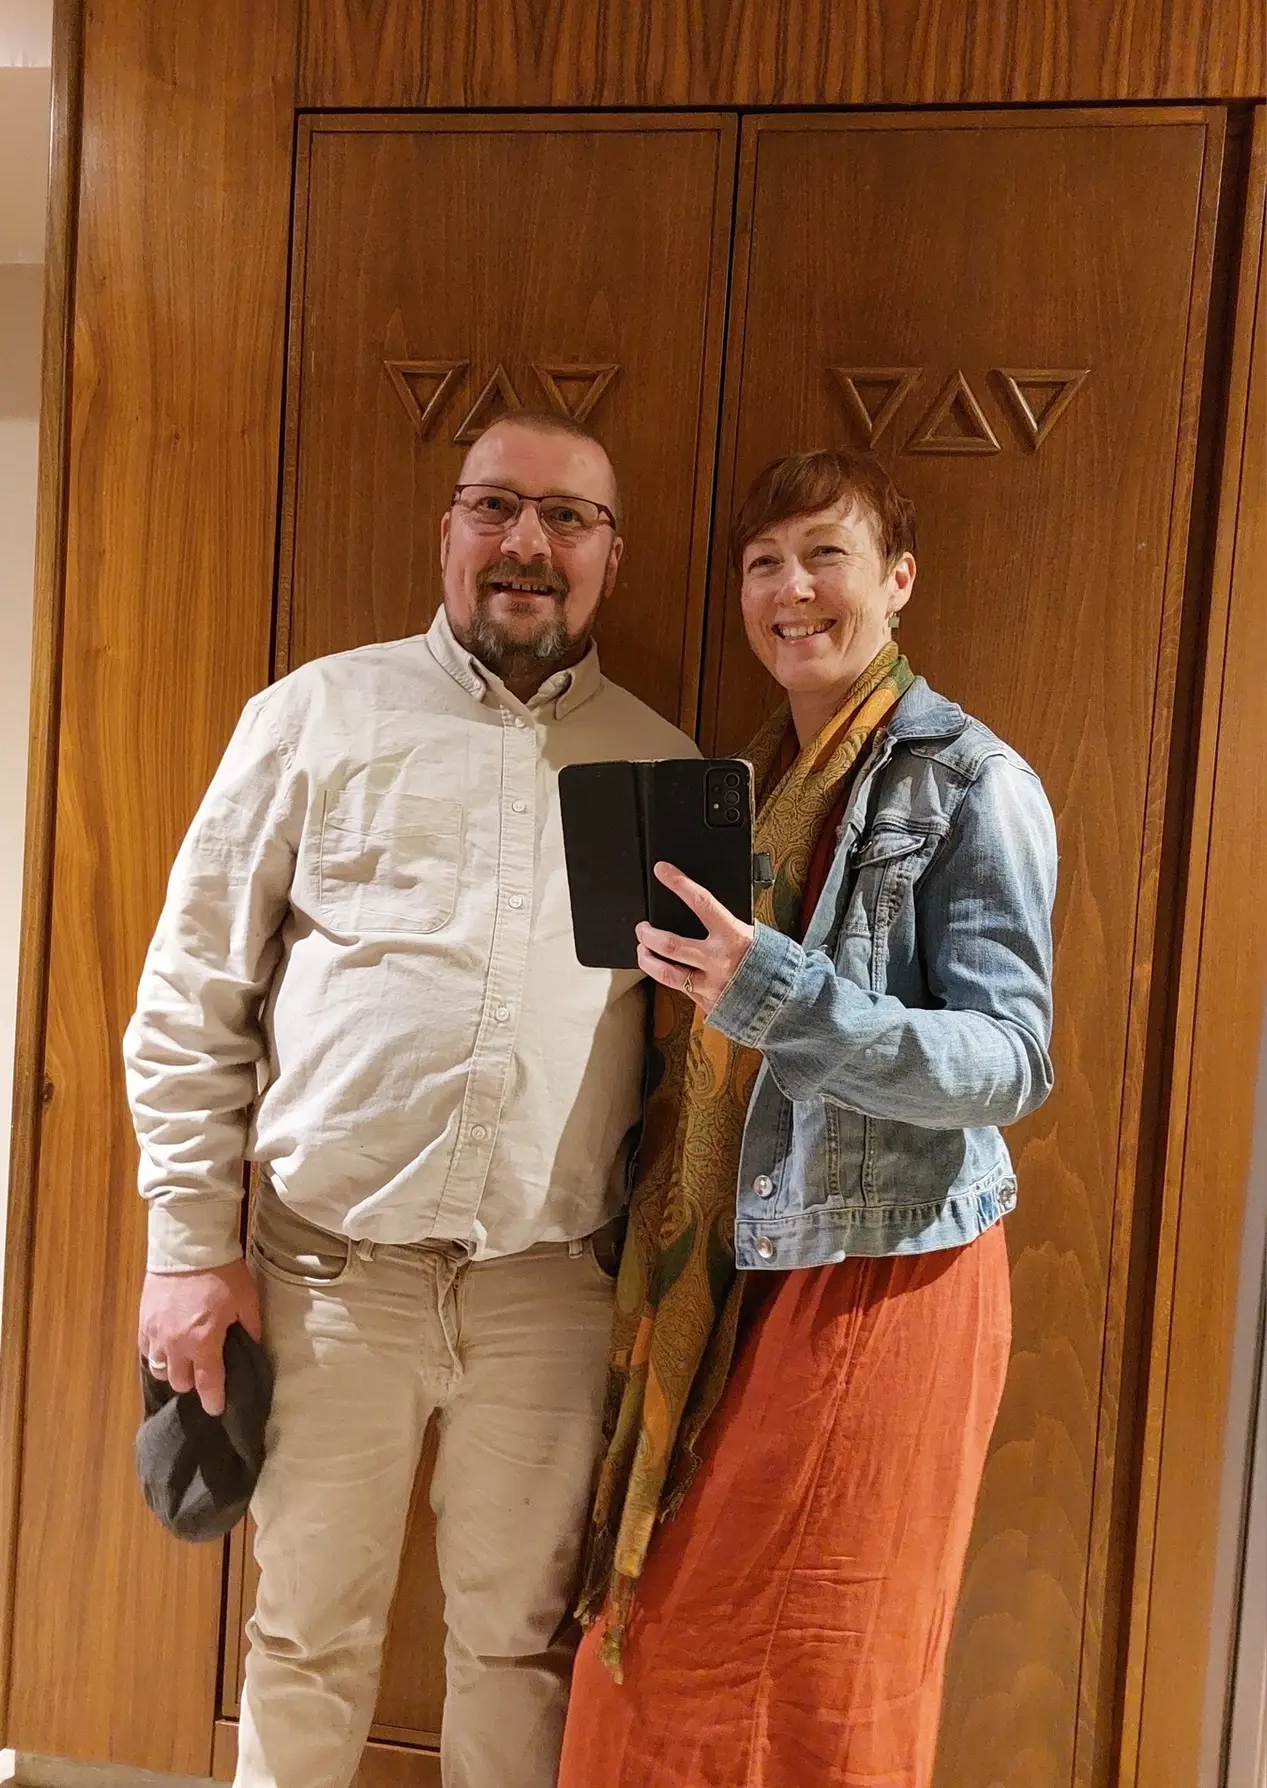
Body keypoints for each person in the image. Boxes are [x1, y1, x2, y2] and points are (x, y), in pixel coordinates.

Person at [124, 412, 697, 1788]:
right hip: (326, 1277)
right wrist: (188, 1245)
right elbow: (192, 991)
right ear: (447, 532)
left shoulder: (664, 769)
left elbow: (697, 1056)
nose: (527, 543)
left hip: (550, 1295)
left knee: (519, 1650)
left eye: (566, 518)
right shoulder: (314, 716)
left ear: (609, 556)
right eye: (495, 507)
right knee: (303, 1639)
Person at [560, 449, 1058, 1788]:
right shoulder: (759, 780)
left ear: (897, 580)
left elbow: (1010, 1062)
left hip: (880, 1270)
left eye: (825, 555)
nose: (791, 590)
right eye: (762, 564)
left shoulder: (971, 781)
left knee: (818, 1669)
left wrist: (778, 995)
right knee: (664, 1655)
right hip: (738, 1266)